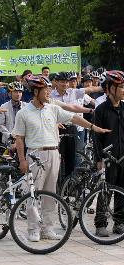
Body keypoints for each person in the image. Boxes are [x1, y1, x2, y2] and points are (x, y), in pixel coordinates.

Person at [12, 75, 110, 242]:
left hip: (54, 153)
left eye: (49, 89)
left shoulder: (52, 108)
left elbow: (73, 117)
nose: (49, 92)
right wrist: (22, 160)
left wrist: (93, 127)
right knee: (33, 193)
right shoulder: (24, 113)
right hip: (35, 155)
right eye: (45, 90)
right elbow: (19, 139)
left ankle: (47, 229)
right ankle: (33, 229)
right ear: (36, 91)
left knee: (51, 193)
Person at [93, 70, 124, 237]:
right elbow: (96, 137)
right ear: (111, 88)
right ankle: (100, 224)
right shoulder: (101, 109)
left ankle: (119, 222)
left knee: (122, 191)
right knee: (105, 190)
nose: (123, 90)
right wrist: (99, 159)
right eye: (120, 87)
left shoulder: (123, 108)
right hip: (108, 156)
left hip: (123, 156)